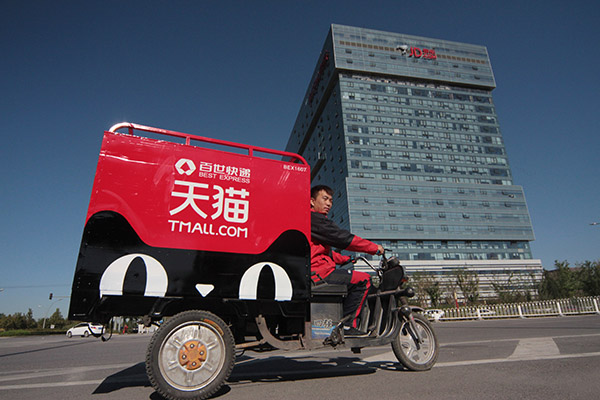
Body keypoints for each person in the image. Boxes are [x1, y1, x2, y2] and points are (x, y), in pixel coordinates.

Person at [310, 185, 384, 336]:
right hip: (318, 273)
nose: (329, 204)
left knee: (350, 279)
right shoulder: (315, 220)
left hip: (317, 270)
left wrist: (347, 259)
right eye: (325, 199)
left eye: (331, 200)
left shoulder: (313, 221)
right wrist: (373, 248)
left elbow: (324, 253)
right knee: (364, 280)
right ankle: (348, 326)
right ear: (312, 201)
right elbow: (343, 238)